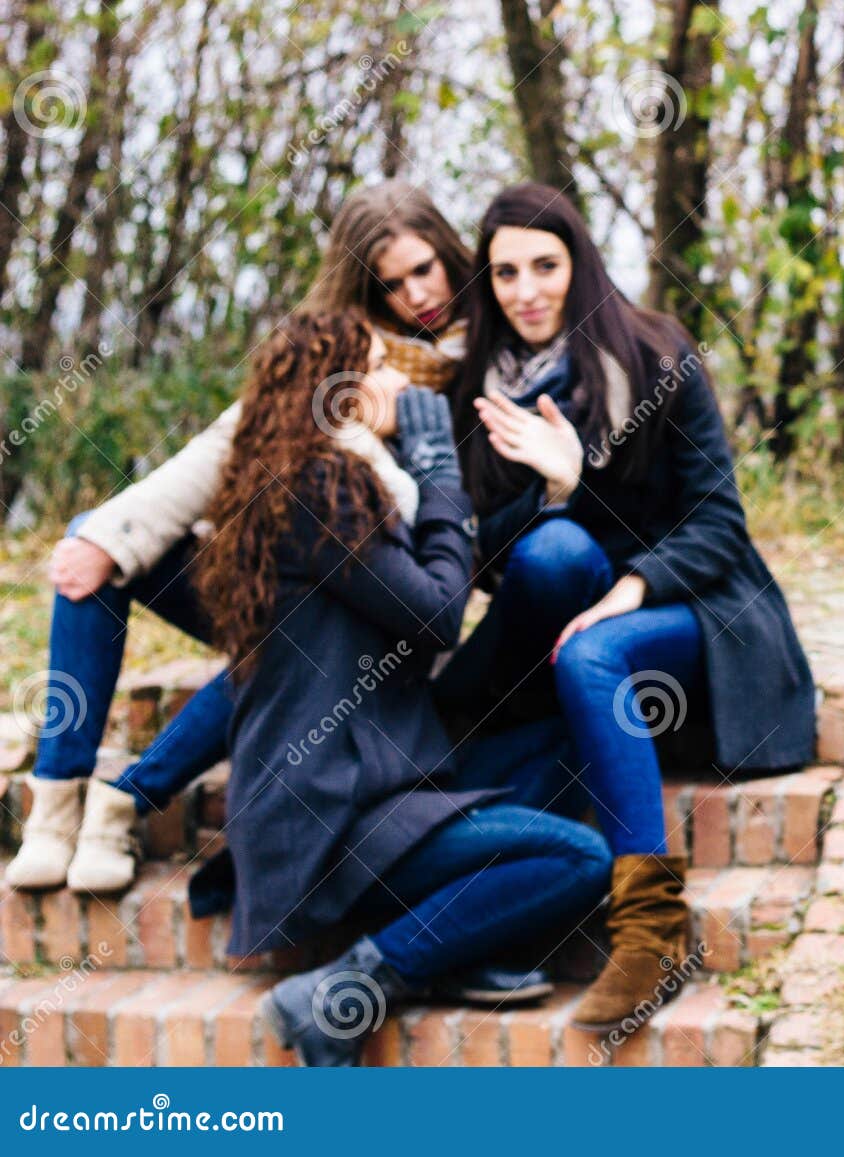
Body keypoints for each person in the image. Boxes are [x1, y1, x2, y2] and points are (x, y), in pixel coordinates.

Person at [9, 182, 476, 896]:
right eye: (392, 282)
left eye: (426, 268)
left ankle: (125, 800)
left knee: (296, 629)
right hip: (295, 585)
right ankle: (58, 792)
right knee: (92, 539)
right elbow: (229, 441)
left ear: (449, 250)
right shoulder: (340, 350)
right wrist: (114, 535)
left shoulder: (483, 356)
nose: (417, 293)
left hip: (388, 612)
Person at [436, 183, 816, 1030]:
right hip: (565, 625)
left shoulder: (653, 354)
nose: (527, 289)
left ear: (579, 264)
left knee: (590, 652)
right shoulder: (481, 393)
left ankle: (649, 932)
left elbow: (718, 520)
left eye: (545, 265)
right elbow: (496, 561)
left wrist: (631, 584)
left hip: (699, 615)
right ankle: (484, 906)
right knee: (560, 570)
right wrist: (557, 488)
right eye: (505, 273)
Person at [189, 310, 610, 1066]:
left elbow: (446, 571)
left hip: (375, 784)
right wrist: (440, 472)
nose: (399, 381)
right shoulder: (320, 487)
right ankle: (347, 989)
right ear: (338, 391)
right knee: (578, 857)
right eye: (380, 365)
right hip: (329, 815)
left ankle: (454, 938)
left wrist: (547, 494)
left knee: (562, 739)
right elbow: (439, 613)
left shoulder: (341, 484)